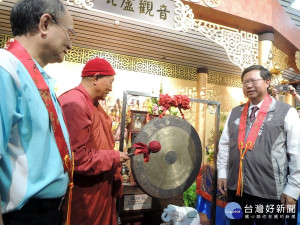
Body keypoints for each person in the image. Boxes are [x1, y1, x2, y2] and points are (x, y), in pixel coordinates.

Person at [0, 0, 75, 224]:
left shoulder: (35, 76)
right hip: (24, 215)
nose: (71, 44)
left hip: (46, 212)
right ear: (45, 24)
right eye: (70, 32)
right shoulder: (6, 69)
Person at [217, 65, 300, 225]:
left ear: (267, 82)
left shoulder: (286, 112)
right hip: (237, 189)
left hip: (269, 191)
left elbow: (297, 152)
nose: (248, 85)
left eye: (254, 81)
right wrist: (222, 172)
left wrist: (293, 189)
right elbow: (225, 145)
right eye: (245, 82)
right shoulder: (235, 112)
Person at [58, 57, 129, 225]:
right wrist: (113, 157)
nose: (111, 88)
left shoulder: (93, 103)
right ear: (96, 78)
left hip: (99, 188)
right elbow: (75, 158)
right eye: (110, 82)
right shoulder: (75, 102)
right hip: (84, 194)